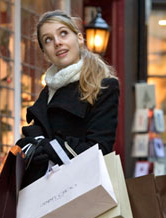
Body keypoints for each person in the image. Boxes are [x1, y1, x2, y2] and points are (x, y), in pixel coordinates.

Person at [17, 10, 119, 188]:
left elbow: (99, 149)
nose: (57, 42)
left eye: (63, 33)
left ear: (79, 38)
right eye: (48, 40)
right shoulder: (48, 91)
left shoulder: (103, 86)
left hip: (81, 192)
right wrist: (32, 148)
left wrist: (50, 147)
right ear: (45, 53)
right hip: (42, 193)